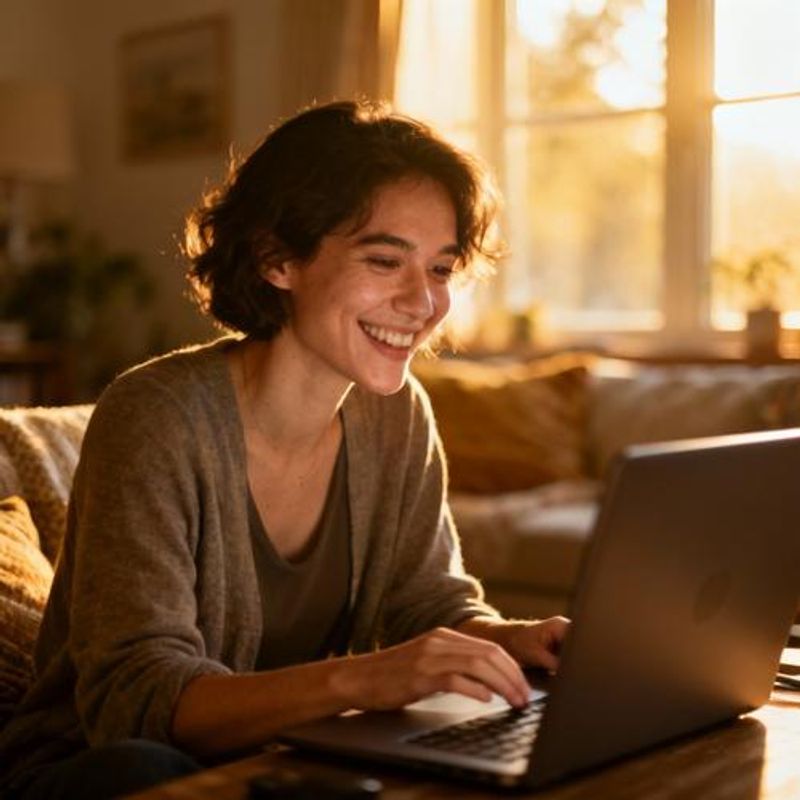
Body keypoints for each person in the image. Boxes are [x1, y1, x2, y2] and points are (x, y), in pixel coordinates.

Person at [0, 100, 568, 799]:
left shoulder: (397, 414)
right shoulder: (155, 416)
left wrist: (512, 641)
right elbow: (135, 704)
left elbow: (428, 602)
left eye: (442, 269)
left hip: (283, 764)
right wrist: (363, 679)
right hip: (100, 772)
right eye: (385, 259)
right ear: (276, 259)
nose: (424, 302)